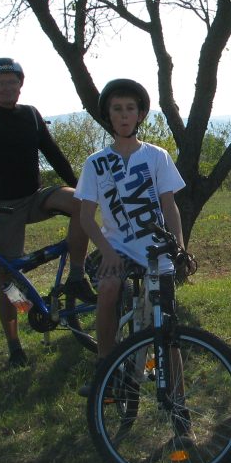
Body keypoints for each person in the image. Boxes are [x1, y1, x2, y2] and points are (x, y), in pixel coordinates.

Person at [0, 57, 92, 368]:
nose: (7, 88)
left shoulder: (32, 116)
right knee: (7, 278)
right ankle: (15, 346)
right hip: (2, 206)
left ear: (21, 85)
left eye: (12, 82)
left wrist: (82, 185)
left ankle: (76, 276)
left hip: (34, 197)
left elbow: (54, 154)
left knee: (81, 203)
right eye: (0, 83)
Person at [74, 79, 188, 390]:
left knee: (166, 319)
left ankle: (178, 399)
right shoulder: (95, 163)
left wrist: (179, 246)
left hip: (154, 246)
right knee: (109, 287)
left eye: (130, 109)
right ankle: (105, 367)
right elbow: (85, 217)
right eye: (117, 109)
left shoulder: (157, 156)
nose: (124, 115)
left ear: (140, 115)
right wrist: (108, 252)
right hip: (116, 246)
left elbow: (170, 206)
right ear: (108, 116)